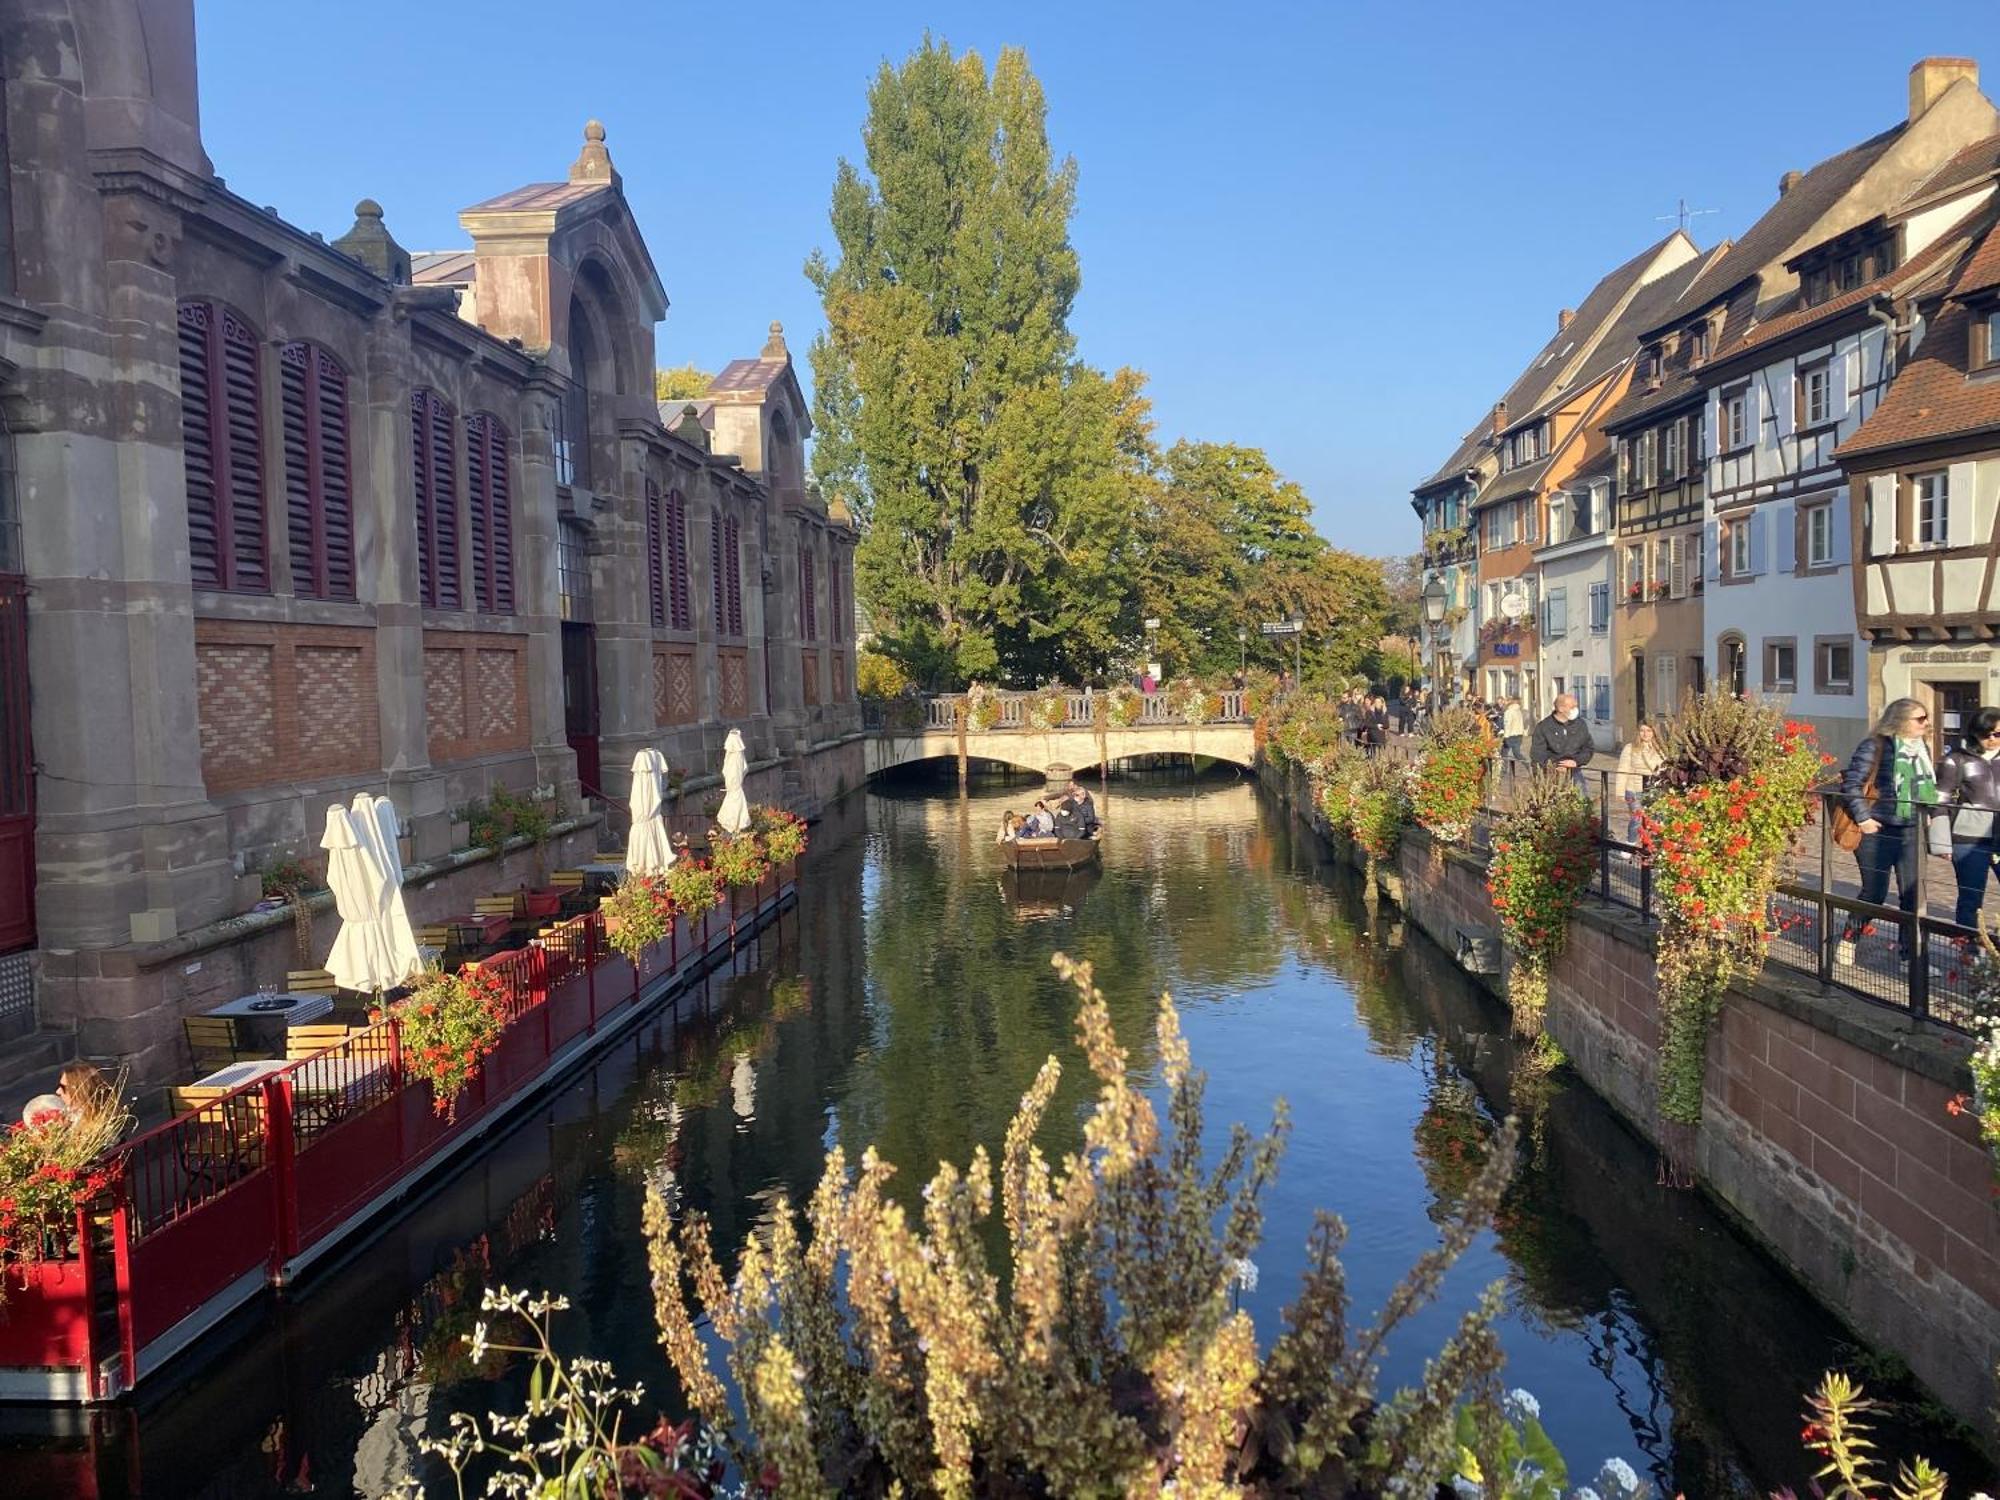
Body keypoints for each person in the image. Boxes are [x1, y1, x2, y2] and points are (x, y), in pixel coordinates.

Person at [1836, 698, 1938, 965]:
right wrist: (1864, 818)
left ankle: (1911, 958)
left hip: (1911, 830)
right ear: (1901, 720)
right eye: (1920, 718)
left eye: (1925, 717)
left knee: (1912, 896)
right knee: (1875, 893)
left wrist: (1926, 814)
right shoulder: (1875, 745)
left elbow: (1923, 787)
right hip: (1877, 830)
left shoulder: (1921, 748)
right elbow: (1853, 784)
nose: (1926, 723)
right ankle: (1849, 937)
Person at [1936, 706, 2000, 929]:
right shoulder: (1956, 760)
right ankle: (1968, 952)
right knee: (1971, 899)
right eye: (1986, 734)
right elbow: (1940, 800)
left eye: (1998, 734)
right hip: (1969, 838)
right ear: (1975, 733)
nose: (1992, 739)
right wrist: (1941, 842)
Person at [1613, 722, 1665, 854]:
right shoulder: (1630, 748)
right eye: (1642, 731)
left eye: (1649, 731)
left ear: (1654, 732)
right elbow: (1623, 769)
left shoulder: (1661, 749)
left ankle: (1653, 847)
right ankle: (1629, 845)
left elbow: (1665, 768)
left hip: (1654, 788)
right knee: (1636, 819)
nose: (1645, 734)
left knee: (1656, 818)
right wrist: (1619, 791)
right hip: (1634, 788)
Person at [1529, 693, 1595, 785]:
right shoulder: (1544, 727)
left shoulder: (1580, 724)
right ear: (1560, 709)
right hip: (1551, 773)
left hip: (1574, 771)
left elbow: (1588, 748)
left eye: (1576, 706)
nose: (1575, 709)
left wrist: (1576, 761)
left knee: (1582, 797)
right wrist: (1553, 767)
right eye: (1572, 707)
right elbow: (1537, 755)